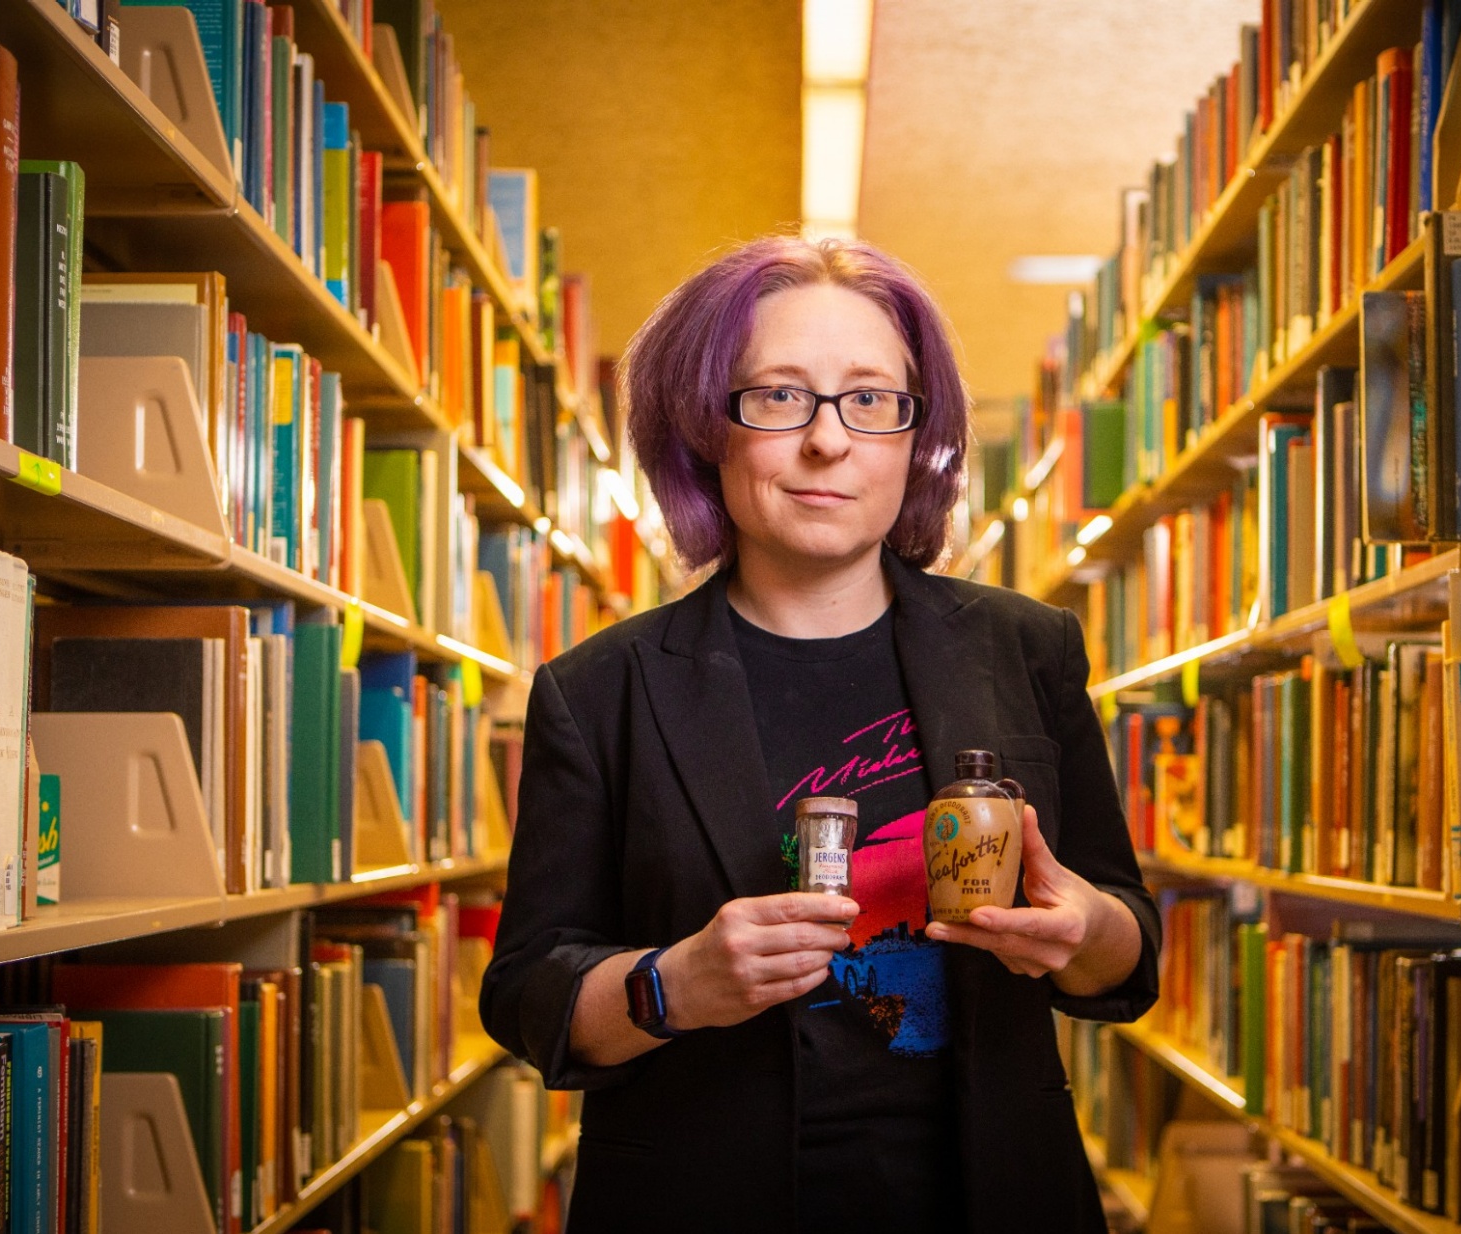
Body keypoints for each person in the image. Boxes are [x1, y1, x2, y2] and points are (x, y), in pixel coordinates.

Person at [479, 235, 1160, 1233]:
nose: (828, 440)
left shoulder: (1027, 650)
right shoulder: (598, 691)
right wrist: (674, 985)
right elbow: (525, 994)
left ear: (916, 437)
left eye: (870, 399)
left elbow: (1127, 950)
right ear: (704, 428)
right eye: (779, 396)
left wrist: (1086, 931)